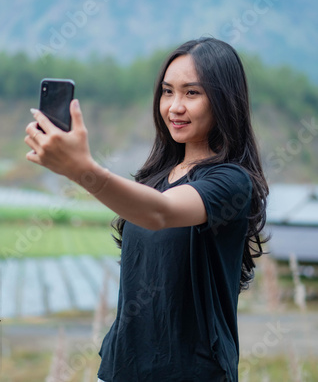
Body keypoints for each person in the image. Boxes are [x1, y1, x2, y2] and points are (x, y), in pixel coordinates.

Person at [25, 37, 269, 382]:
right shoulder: (153, 179)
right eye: (167, 92)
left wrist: (80, 169)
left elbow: (161, 213)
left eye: (192, 93)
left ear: (225, 101)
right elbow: (147, 209)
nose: (174, 106)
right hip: (119, 370)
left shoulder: (231, 182)